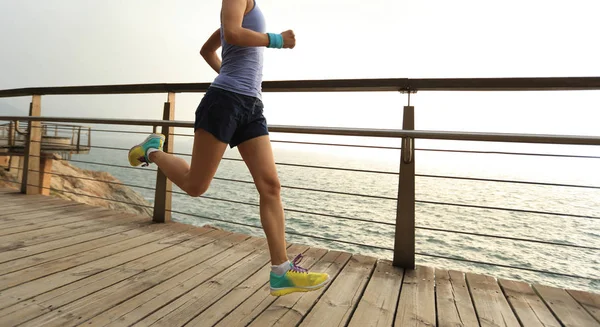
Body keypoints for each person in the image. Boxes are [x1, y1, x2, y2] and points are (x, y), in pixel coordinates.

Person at [127, 0, 329, 297]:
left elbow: (209, 48)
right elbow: (232, 33)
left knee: (271, 185)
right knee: (196, 185)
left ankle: (281, 272)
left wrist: (232, 73)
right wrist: (277, 40)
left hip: (250, 105)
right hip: (224, 103)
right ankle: (152, 150)